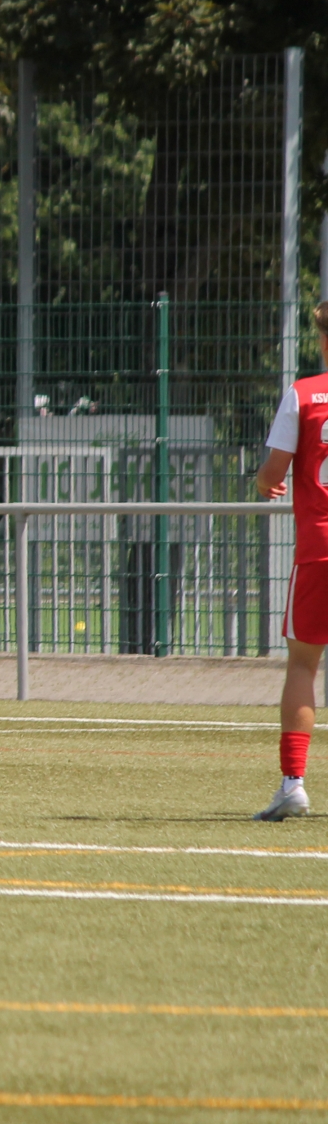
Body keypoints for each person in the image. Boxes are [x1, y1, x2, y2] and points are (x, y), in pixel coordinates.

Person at [254, 301, 328, 819]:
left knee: (303, 664)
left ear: (322, 339)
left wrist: (265, 482)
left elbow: (273, 470)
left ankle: (293, 783)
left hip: (320, 548)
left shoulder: (304, 394)